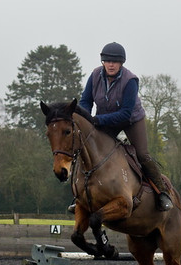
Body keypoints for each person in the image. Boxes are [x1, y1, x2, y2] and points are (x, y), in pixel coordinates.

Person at [69, 42, 173, 213]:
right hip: (104, 121)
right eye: (108, 61)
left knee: (142, 154)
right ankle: (80, 196)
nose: (111, 64)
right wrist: (86, 119)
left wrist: (97, 120)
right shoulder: (95, 75)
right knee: (87, 149)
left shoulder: (130, 80)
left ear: (121, 63)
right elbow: (85, 101)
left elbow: (125, 113)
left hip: (131, 121)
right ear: (103, 62)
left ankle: (162, 193)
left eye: (115, 62)